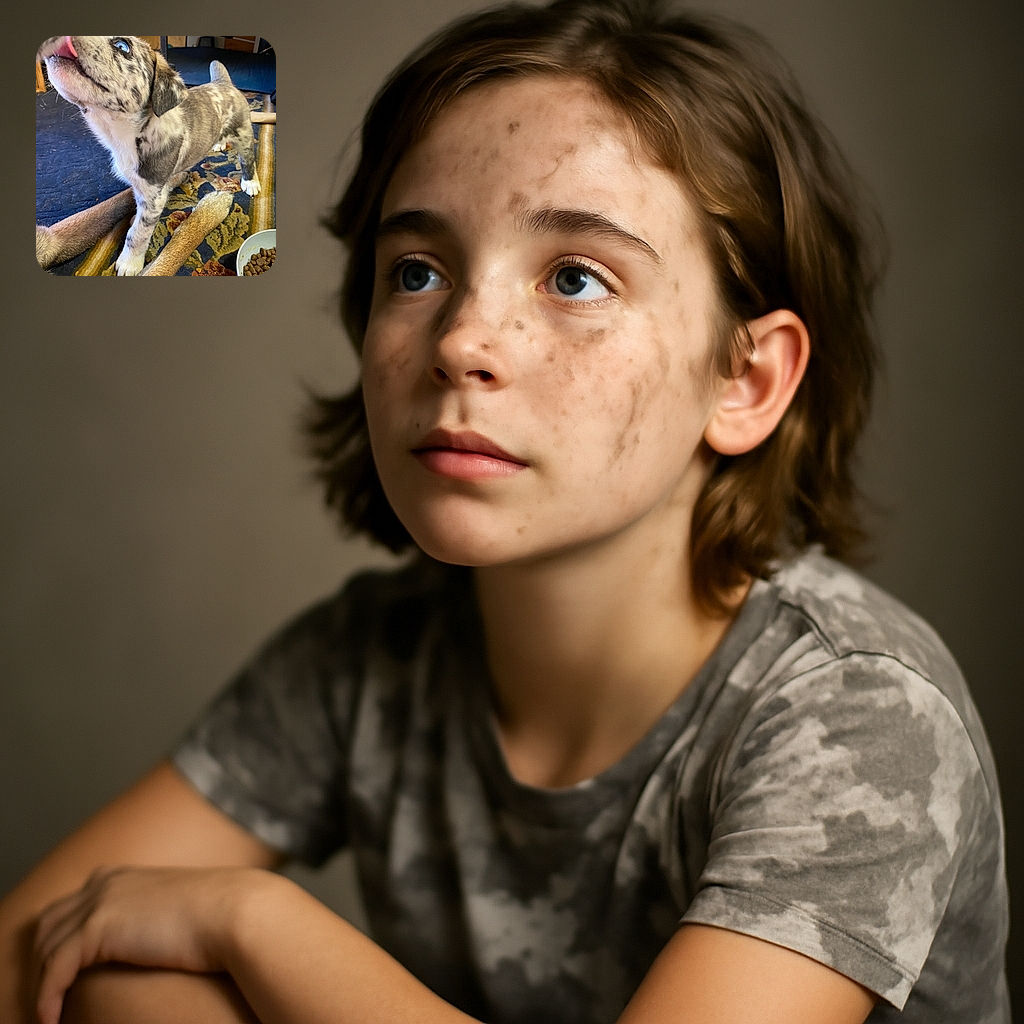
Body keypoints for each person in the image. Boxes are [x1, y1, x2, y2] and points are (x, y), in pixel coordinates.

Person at [1, 0, 1009, 1021]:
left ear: (745, 380)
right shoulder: (370, 666)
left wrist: (253, 920)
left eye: (575, 277)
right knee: (114, 970)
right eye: (418, 271)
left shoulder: (860, 710)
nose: (460, 339)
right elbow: (24, 951)